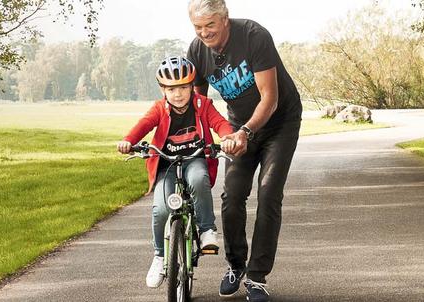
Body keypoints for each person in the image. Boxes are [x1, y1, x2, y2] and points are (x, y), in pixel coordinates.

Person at [186, 0, 303, 301]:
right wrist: (198, 138)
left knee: (268, 193)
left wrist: (245, 132)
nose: (204, 33)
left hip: (279, 123)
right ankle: (236, 265)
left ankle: (257, 276)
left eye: (210, 25)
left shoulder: (254, 36)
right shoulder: (197, 51)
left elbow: (270, 98)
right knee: (233, 195)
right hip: (239, 125)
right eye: (198, 27)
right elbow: (198, 104)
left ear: (225, 19)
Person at [117, 56, 236, 288]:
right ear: (163, 89)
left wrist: (228, 137)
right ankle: (160, 256)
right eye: (171, 89)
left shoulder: (203, 105)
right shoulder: (159, 109)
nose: (178, 94)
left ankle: (206, 231)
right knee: (160, 209)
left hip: (195, 159)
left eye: (183, 87)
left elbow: (220, 123)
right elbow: (143, 125)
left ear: (192, 86)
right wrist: (128, 141)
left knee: (198, 179)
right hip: (166, 163)